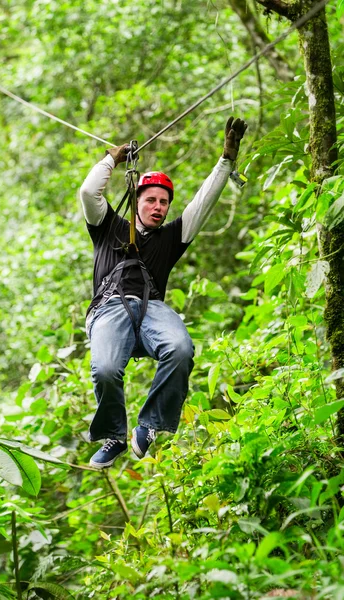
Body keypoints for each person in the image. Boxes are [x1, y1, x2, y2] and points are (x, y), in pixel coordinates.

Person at [79, 117, 247, 469]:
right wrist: (112, 159)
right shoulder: (108, 226)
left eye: (164, 202)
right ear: (137, 199)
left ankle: (151, 425)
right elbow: (88, 192)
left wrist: (226, 159)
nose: (158, 207)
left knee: (181, 348)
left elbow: (203, 202)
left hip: (152, 310)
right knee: (106, 369)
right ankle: (113, 435)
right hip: (110, 308)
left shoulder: (171, 238)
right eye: (151, 200)